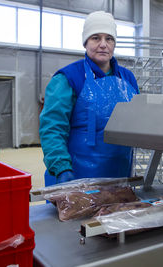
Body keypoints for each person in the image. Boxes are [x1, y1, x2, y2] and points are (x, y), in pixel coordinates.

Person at [39, 10, 139, 186]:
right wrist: (62, 168)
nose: (103, 44)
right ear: (85, 42)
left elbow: (138, 122)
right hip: (76, 176)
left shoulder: (128, 79)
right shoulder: (68, 78)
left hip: (120, 175)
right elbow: (52, 128)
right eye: (95, 38)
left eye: (109, 38)